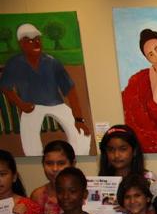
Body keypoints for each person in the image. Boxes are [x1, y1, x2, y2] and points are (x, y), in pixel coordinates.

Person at [0, 23, 91, 156]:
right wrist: (21, 104)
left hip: (56, 104)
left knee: (82, 134)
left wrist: (79, 120)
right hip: (31, 107)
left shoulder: (52, 62)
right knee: (30, 143)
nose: (36, 43)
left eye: (37, 39)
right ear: (21, 44)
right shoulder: (15, 63)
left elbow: (70, 90)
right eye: (30, 40)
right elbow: (5, 87)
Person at [30, 140, 76, 214]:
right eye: (49, 163)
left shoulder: (84, 193)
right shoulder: (38, 196)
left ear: (73, 164)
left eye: (61, 163)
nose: (54, 169)